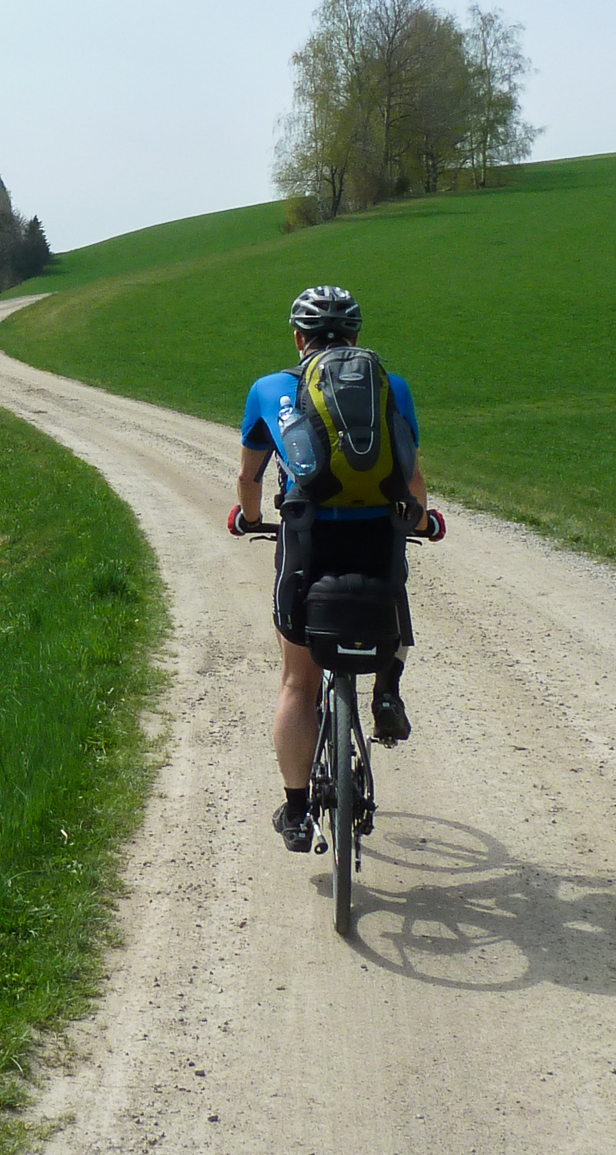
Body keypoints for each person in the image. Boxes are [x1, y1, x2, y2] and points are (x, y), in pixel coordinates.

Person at [227, 285, 443, 853]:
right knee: (393, 595)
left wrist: (249, 519)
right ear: (355, 338)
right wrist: (422, 522)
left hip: (308, 538)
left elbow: (250, 480)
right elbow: (411, 478)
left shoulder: (271, 390)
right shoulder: (391, 388)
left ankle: (297, 811)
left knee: (299, 682)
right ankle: (387, 691)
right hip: (378, 538)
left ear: (298, 338)